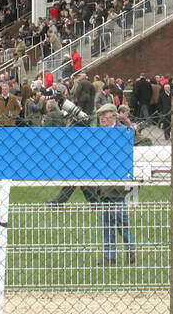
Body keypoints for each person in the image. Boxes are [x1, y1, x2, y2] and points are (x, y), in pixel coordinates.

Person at [49, 105, 136, 264]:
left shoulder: (124, 132)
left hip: (119, 181)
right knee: (107, 221)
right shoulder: (97, 133)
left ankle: (130, 247)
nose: (102, 119)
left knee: (119, 218)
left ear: (113, 117)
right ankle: (110, 256)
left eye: (105, 116)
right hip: (102, 182)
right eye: (101, 116)